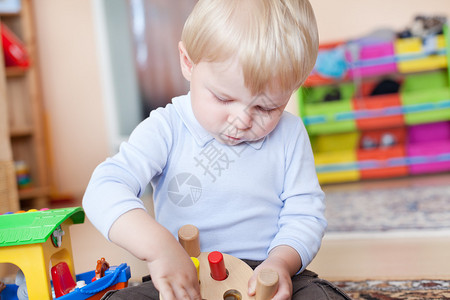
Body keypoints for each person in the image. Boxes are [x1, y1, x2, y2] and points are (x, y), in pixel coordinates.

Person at [83, 0, 351, 299]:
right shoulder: (166, 127)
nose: (242, 120)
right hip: (186, 274)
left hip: (263, 273)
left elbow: (305, 215)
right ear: (188, 62)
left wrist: (281, 263)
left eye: (266, 107)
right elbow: (104, 187)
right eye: (223, 98)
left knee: (322, 296)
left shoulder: (290, 134)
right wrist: (159, 248)